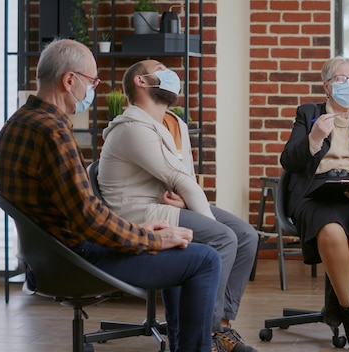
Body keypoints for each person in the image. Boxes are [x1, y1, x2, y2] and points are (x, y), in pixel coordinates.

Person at [0, 38, 221, 352]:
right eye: (92, 82)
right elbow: (88, 219)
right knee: (204, 259)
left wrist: (140, 230)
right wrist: (153, 239)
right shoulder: (52, 132)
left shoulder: (15, 124)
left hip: (45, 262)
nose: (93, 90)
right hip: (75, 259)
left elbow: (82, 211)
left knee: (181, 247)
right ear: (69, 80)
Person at [97, 59, 259, 352]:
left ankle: (221, 326)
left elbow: (186, 179)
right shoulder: (132, 128)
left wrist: (188, 201)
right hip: (139, 213)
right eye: (160, 69)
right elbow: (178, 177)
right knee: (224, 237)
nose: (170, 74)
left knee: (247, 237)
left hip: (169, 204)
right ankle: (207, 336)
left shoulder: (174, 124)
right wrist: (208, 219)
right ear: (141, 82)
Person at [280, 56, 349, 350]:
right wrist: (314, 139)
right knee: (331, 231)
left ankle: (335, 302)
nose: (348, 85)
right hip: (314, 192)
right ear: (327, 87)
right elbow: (289, 161)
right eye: (341, 80)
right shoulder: (309, 114)